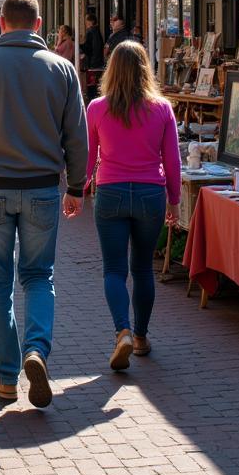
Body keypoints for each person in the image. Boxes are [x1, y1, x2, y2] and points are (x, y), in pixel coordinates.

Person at [0, 0, 87, 409]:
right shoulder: (62, 68)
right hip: (43, 185)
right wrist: (76, 187)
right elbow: (77, 136)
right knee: (39, 275)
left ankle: (6, 378)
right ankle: (36, 350)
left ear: (1, 24)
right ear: (39, 25)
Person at [85, 40, 181, 373]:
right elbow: (172, 161)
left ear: (111, 69)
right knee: (142, 269)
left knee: (114, 269)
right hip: (149, 193)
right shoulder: (162, 109)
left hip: (110, 191)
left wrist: (78, 187)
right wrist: (175, 199)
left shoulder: (97, 107)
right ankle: (140, 337)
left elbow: (87, 155)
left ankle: (121, 329)